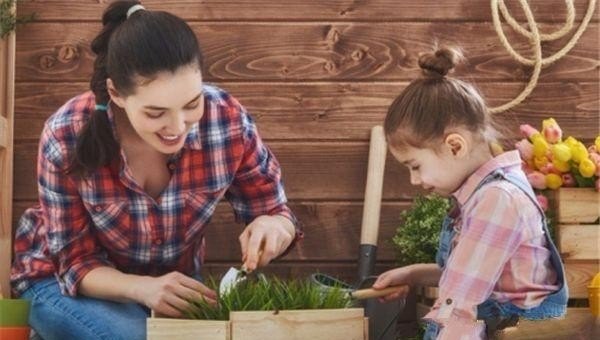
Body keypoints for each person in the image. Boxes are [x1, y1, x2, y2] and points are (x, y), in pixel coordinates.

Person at [10, 2, 302, 339]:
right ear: (117, 93)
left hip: (167, 290)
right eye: (156, 113)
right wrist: (141, 289)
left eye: (192, 104)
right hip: (61, 284)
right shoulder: (66, 133)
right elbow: (74, 264)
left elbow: (274, 210)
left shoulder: (227, 120)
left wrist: (274, 225)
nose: (178, 127)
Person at [372, 46, 567, 339]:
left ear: (455, 146)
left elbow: (460, 307)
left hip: (515, 329)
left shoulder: (497, 200)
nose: (413, 180)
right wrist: (413, 275)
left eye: (414, 165)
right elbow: (479, 275)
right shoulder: (488, 194)